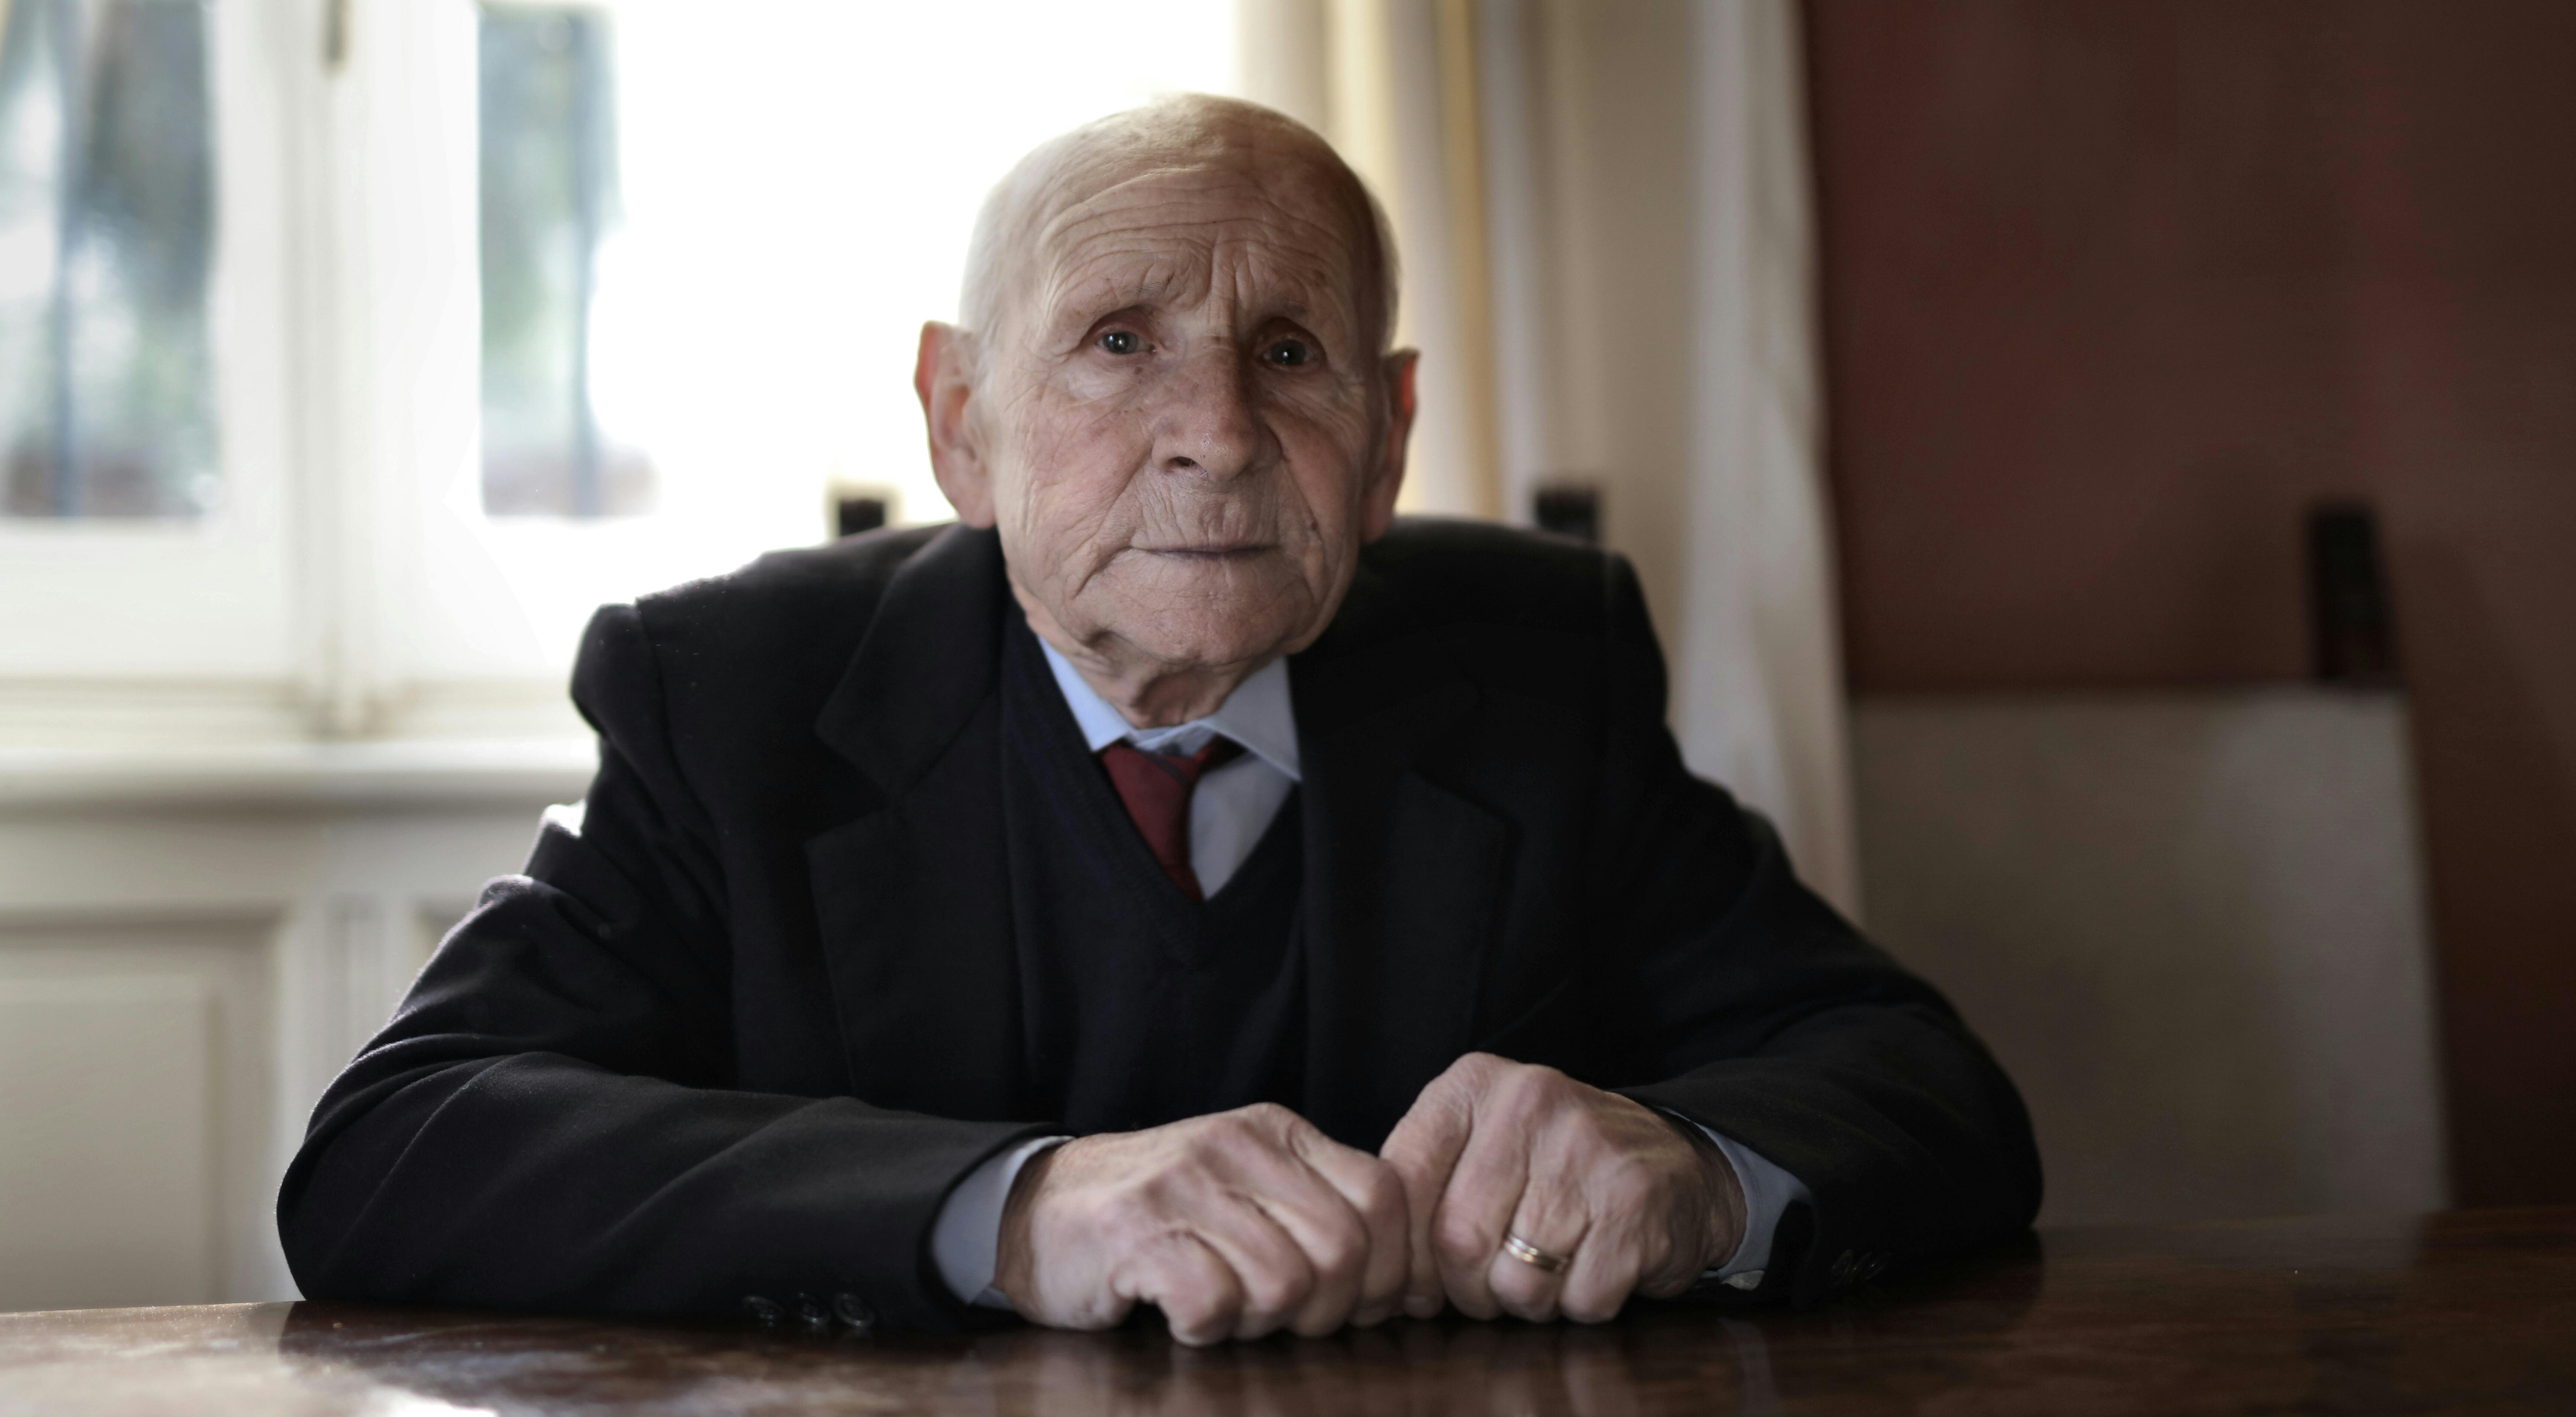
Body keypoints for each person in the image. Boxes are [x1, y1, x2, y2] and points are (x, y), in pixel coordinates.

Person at [278, 96, 2039, 1344]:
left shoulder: (1533, 668)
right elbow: (397, 1148)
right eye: (1119, 341)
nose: (1214, 427)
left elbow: (1928, 1089)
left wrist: (1696, 1176)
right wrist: (1019, 1209)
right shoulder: (739, 698)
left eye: (1289, 351)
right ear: (962, 421)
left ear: (1393, 432)